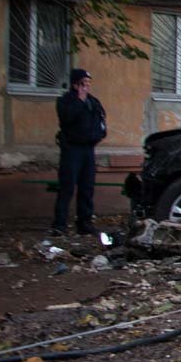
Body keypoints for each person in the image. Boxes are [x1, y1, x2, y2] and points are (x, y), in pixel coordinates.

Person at [53, 68, 107, 236]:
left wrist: (99, 134)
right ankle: (59, 224)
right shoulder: (66, 101)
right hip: (72, 149)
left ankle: (84, 223)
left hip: (88, 149)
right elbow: (67, 118)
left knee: (87, 187)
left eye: (88, 84)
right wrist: (79, 101)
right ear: (75, 84)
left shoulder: (92, 101)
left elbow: (101, 118)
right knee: (67, 187)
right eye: (83, 84)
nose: (86, 87)